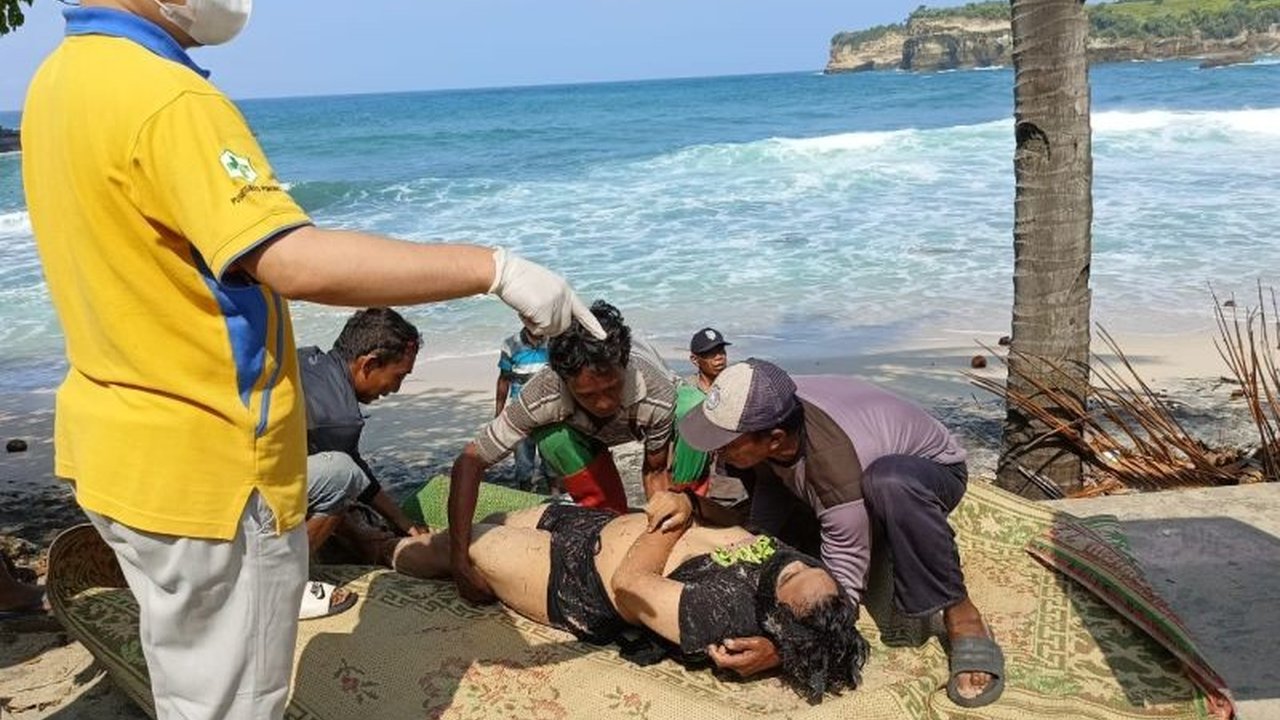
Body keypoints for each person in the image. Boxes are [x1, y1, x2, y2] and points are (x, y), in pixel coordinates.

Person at [21, 3, 601, 718]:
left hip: (115, 445)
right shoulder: (168, 97)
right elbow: (292, 260)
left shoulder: (58, 81)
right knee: (234, 701)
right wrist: (494, 268)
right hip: (210, 467)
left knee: (189, 675)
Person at [678, 359, 1005, 709]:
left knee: (888, 483)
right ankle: (866, 528)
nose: (716, 450)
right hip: (847, 466)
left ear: (774, 439)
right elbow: (772, 483)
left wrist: (789, 647)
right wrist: (758, 544)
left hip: (928, 476)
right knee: (778, 543)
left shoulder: (837, 471)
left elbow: (844, 590)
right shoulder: (767, 405)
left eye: (725, 443)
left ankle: (962, 613)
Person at [385, 490, 869, 703]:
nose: (791, 563)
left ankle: (381, 549)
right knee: (482, 524)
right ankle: (384, 537)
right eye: (804, 564)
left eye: (788, 578)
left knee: (464, 546)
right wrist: (692, 502)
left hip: (571, 579)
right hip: (590, 523)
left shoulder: (722, 615)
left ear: (775, 616)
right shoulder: (809, 580)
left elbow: (630, 586)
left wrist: (673, 520)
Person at [449, 300, 683, 602]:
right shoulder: (542, 392)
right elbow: (469, 462)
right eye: (587, 394)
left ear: (623, 367)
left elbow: (655, 470)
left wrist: (659, 539)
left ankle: (694, 511)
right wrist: (459, 561)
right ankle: (607, 519)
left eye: (611, 388)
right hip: (582, 435)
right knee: (553, 437)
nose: (602, 403)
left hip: (643, 420)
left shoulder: (657, 393)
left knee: (690, 409)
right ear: (563, 380)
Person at [299, 308, 426, 567]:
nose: (396, 388)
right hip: (237, 489)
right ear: (368, 364)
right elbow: (349, 476)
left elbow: (357, 468)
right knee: (342, 477)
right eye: (398, 376)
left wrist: (401, 521)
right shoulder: (339, 418)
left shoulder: (305, 359)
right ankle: (286, 575)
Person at [494, 326, 552, 492]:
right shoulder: (510, 344)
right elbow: (504, 379)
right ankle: (525, 495)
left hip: (548, 410)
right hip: (519, 410)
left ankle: (555, 497)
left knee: (551, 461)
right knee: (523, 462)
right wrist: (498, 413)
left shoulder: (553, 341)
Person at [686, 327, 731, 393]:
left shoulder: (735, 384)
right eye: (711, 353)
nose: (719, 357)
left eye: (721, 351)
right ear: (695, 359)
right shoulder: (687, 389)